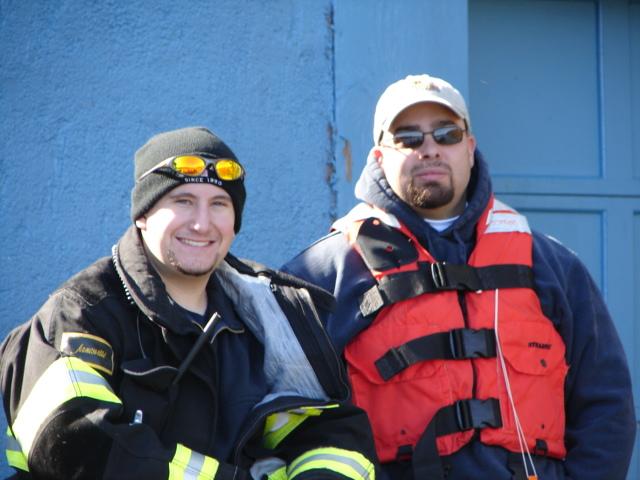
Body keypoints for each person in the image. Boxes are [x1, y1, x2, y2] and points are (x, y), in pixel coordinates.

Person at [282, 74, 636, 480]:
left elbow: (606, 405)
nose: (430, 149)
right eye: (409, 138)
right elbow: (287, 416)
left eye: (447, 134)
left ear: (470, 148)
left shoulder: (552, 266)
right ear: (379, 157)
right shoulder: (326, 273)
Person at [0, 126, 379, 479]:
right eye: (183, 201)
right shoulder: (81, 313)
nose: (202, 223)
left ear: (234, 222)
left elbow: (326, 431)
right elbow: (71, 442)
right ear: (143, 215)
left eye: (219, 204)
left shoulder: (265, 317)